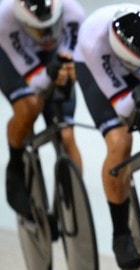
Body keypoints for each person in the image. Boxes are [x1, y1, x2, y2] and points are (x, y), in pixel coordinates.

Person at [73, 3, 140, 269]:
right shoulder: (93, 42)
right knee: (120, 142)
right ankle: (120, 232)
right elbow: (122, 106)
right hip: (97, 70)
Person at [0, 0, 85, 219]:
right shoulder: (5, 18)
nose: (47, 35)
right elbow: (36, 83)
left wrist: (67, 70)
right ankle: (16, 165)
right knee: (29, 106)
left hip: (53, 54)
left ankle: (75, 198)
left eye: (52, 27)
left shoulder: (73, 12)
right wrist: (51, 73)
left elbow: (71, 60)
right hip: (10, 53)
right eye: (40, 29)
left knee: (66, 133)